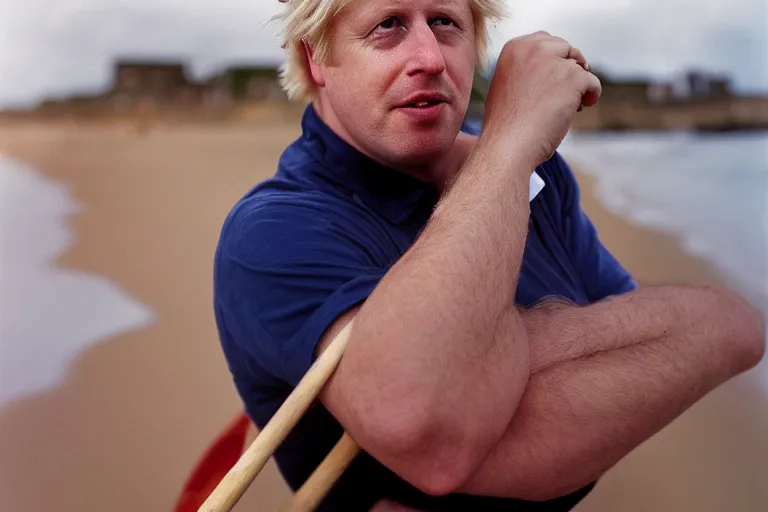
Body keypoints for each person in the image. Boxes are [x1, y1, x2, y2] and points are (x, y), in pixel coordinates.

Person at [212, 0, 766, 510]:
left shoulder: (534, 171)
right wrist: (508, 144)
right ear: (315, 61)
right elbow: (431, 431)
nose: (429, 58)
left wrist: (486, 354)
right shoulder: (270, 234)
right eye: (388, 25)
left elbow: (713, 333)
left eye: (446, 23)